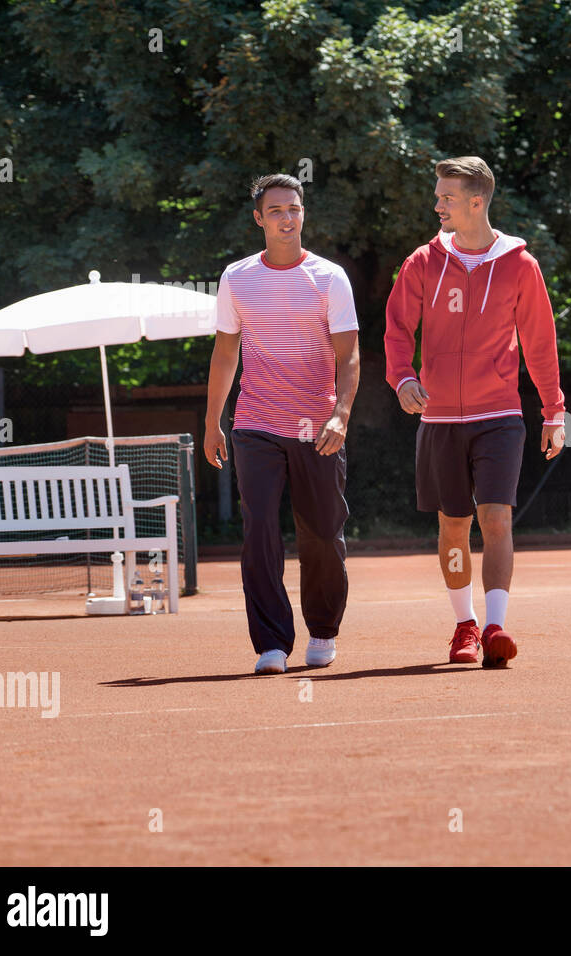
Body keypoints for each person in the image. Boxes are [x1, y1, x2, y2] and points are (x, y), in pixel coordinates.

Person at [385, 156, 565, 668]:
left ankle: (495, 626)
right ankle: (463, 625)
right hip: (439, 418)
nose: (437, 204)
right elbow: (397, 330)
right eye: (438, 195)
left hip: (500, 415)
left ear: (476, 201)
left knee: (496, 519)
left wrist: (553, 411)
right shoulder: (422, 261)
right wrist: (402, 378)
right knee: (453, 526)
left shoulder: (520, 265)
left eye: (446, 196)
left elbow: (540, 342)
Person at [204, 173, 361, 674]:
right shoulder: (237, 278)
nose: (286, 217)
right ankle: (271, 643)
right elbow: (226, 351)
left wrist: (341, 414)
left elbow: (350, 355)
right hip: (255, 426)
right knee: (260, 533)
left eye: (293, 208)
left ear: (302, 214)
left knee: (321, 534)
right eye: (276, 210)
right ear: (259, 219)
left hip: (317, 427)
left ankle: (322, 630)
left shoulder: (330, 277)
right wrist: (213, 422)